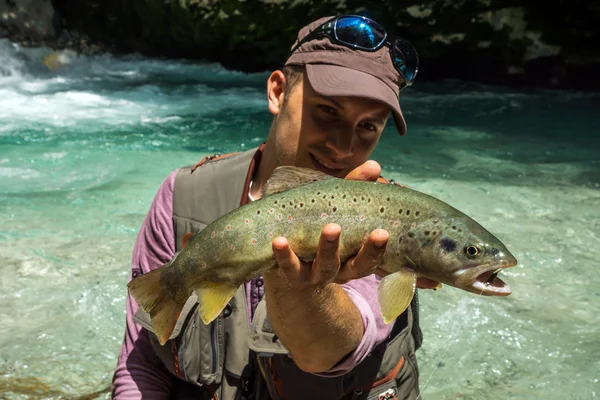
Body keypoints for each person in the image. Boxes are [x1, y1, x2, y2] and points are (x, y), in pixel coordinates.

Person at [112, 14, 438, 400]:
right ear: (278, 92)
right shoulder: (183, 195)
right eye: (327, 112)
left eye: (368, 126)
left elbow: (330, 353)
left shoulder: (387, 221)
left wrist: (300, 281)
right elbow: (142, 363)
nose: (343, 146)